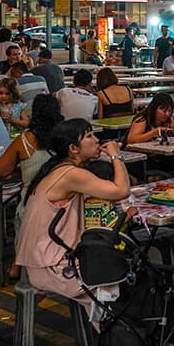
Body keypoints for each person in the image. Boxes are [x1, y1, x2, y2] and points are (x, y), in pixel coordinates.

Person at [16, 119, 130, 313]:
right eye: (89, 136)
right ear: (73, 148)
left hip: (42, 260)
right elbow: (121, 190)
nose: (96, 140)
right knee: (120, 278)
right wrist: (115, 156)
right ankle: (116, 334)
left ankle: (112, 332)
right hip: (52, 266)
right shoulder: (70, 174)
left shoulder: (59, 169)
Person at [0, 93, 58, 278]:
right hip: (63, 206)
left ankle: (18, 264)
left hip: (33, 206)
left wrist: (23, 171)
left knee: (23, 216)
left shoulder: (24, 141)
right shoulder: (66, 137)